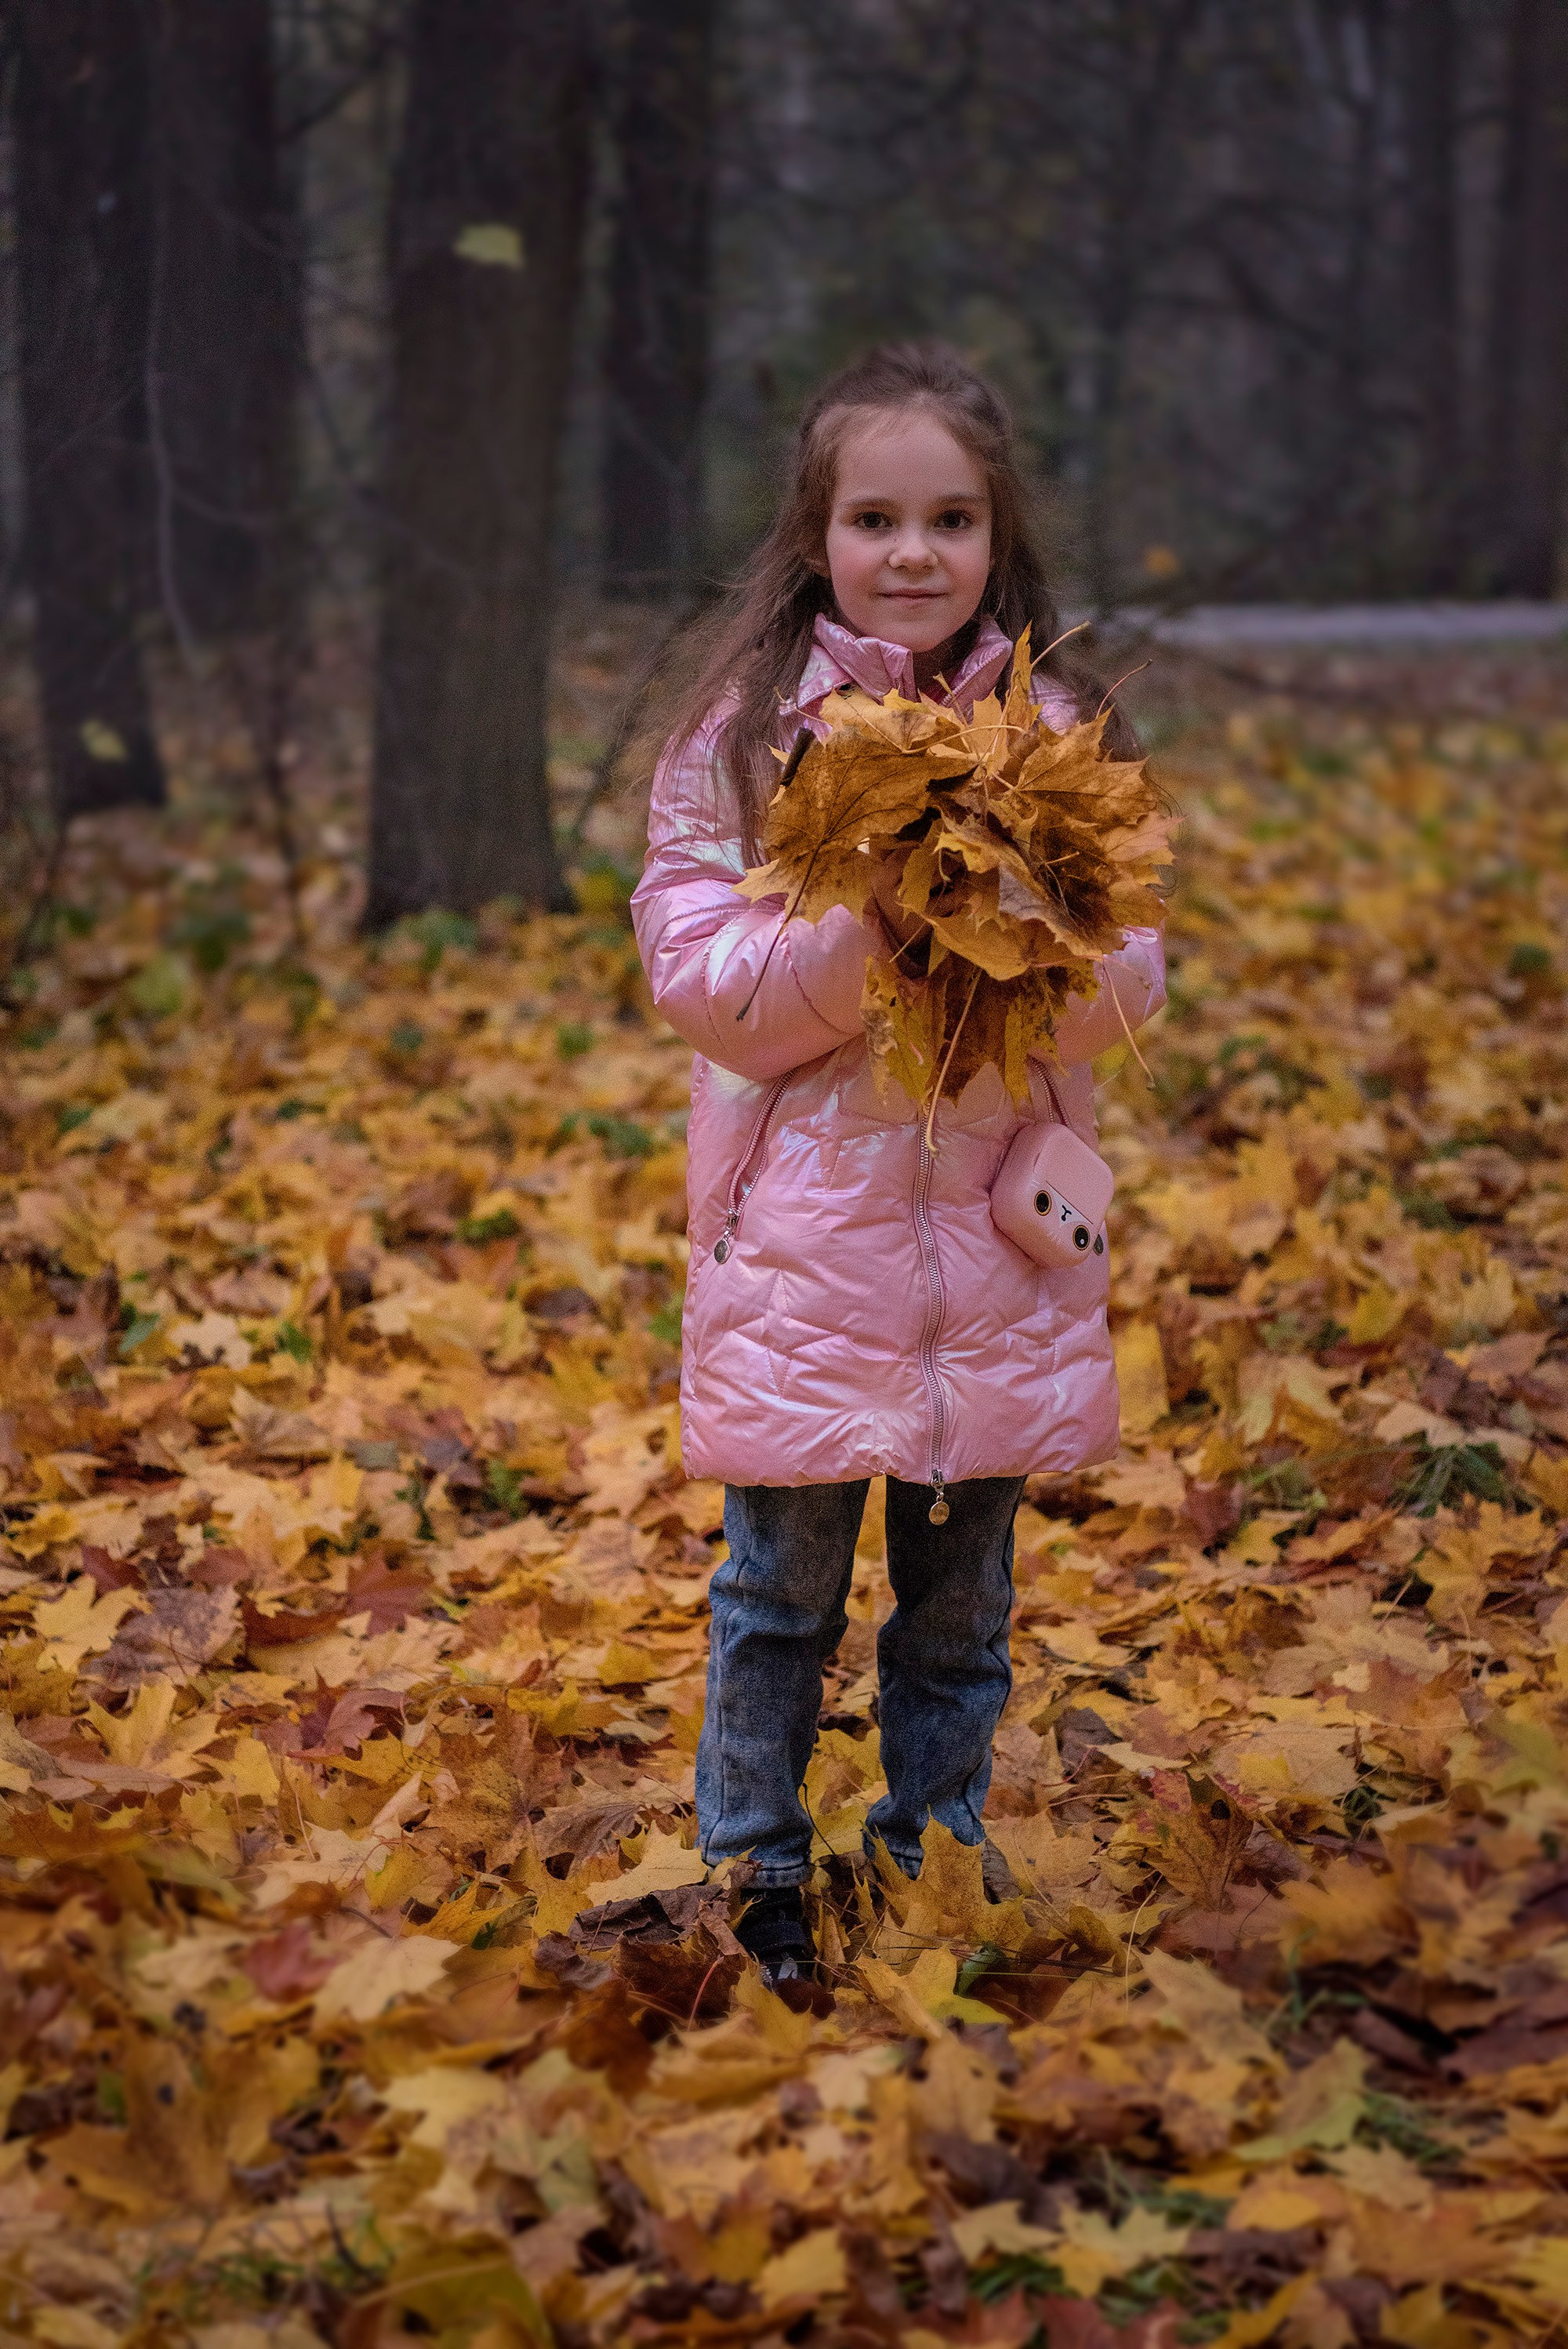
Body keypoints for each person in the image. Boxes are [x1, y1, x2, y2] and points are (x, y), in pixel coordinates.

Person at [630, 342, 1165, 1980]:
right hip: (803, 1259)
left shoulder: (1060, 723)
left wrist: (1010, 929)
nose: (914, 551)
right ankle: (755, 1875)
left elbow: (1131, 972)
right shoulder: (741, 738)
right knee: (776, 1596)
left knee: (957, 1614)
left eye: (950, 517)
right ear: (815, 533)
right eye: (876, 516)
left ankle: (930, 1854)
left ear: (998, 535)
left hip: (996, 1265)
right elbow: (700, 985)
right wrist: (869, 920)